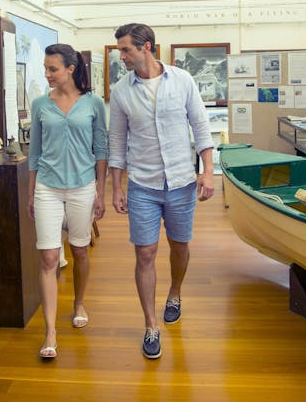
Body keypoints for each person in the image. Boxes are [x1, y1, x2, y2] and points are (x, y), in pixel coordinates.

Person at [108, 23, 214, 359]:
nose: (121, 56)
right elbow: (117, 143)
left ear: (146, 47)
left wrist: (208, 172)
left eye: (125, 49)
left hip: (182, 182)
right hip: (142, 184)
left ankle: (176, 292)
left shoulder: (182, 81)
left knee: (179, 247)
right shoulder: (122, 91)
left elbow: (200, 126)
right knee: (145, 254)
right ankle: (151, 326)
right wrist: (116, 187)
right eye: (120, 50)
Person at [28, 43, 108, 359]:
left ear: (70, 69)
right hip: (47, 186)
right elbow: (34, 152)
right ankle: (50, 332)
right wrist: (31, 193)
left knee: (79, 250)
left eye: (52, 69)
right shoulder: (40, 105)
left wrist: (101, 192)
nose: (47, 74)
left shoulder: (93, 103)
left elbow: (101, 149)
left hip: (83, 187)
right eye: (46, 68)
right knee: (48, 259)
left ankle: (78, 303)